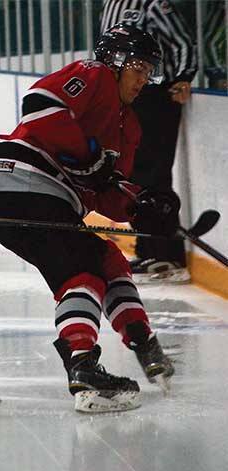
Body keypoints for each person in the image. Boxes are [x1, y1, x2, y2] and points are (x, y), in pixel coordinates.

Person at [0, 24, 176, 413]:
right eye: (138, 67)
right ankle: (82, 367)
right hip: (24, 179)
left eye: (149, 71)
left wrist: (138, 209)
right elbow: (40, 104)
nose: (143, 78)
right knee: (82, 270)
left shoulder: (129, 126)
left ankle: (142, 340)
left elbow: (106, 196)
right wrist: (87, 154)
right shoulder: (93, 74)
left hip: (30, 198)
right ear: (114, 60)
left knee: (104, 258)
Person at [100, 0, 197, 284]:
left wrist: (182, 78)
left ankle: (167, 256)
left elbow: (183, 43)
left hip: (155, 98)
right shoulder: (110, 3)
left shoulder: (151, 3)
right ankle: (148, 249)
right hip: (126, 96)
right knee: (132, 173)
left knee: (152, 174)